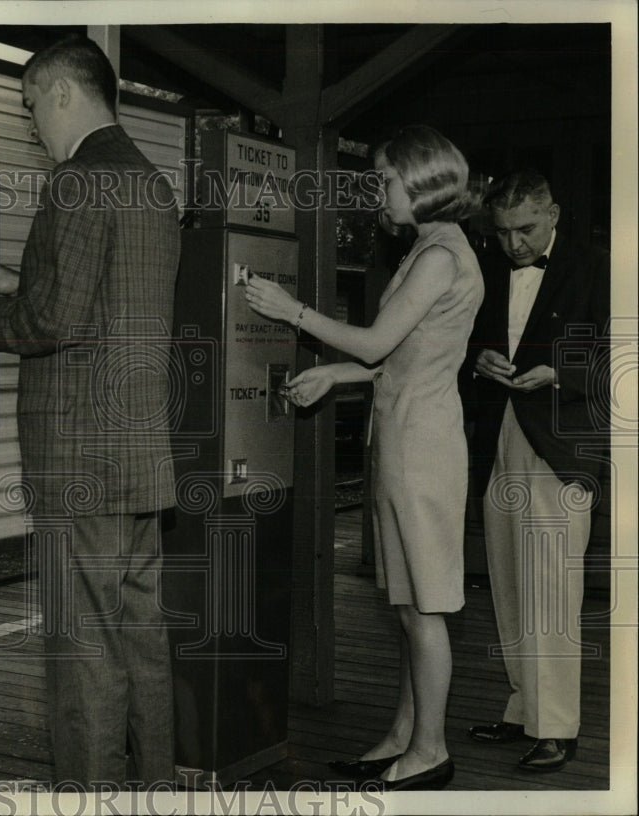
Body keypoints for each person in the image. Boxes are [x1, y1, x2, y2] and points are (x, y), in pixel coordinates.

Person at [0, 35, 179, 788]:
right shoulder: (147, 182)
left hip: (80, 462)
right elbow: (104, 302)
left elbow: (50, 325)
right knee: (139, 639)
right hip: (137, 456)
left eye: (28, 107)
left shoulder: (79, 182)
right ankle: (155, 791)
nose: (30, 126)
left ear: (60, 93)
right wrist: (22, 277)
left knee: (84, 652)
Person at [244, 125, 483, 791]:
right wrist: (333, 376)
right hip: (406, 435)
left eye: (385, 179)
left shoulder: (440, 255)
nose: (379, 191)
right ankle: (406, 736)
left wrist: (293, 310)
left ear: (423, 181)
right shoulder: (431, 249)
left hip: (422, 446)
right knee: (409, 606)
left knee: (426, 608)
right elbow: (404, 358)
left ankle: (430, 749)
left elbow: (378, 343)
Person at [464, 170, 609, 773]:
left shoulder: (599, 265)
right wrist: (480, 358)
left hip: (558, 443)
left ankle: (557, 727)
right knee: (508, 578)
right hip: (499, 432)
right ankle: (523, 707)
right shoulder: (491, 266)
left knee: (550, 588)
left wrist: (559, 375)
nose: (514, 245)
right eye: (502, 233)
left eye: (525, 229)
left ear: (553, 213)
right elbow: (469, 339)